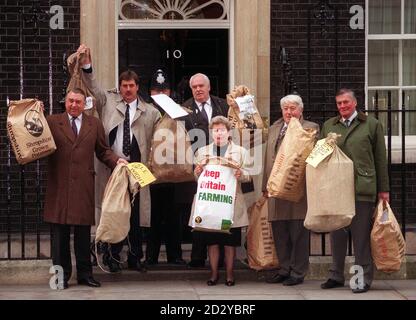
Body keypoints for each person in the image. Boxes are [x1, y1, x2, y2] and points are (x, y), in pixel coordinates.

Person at [78, 44, 161, 273]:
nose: (127, 90)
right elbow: (93, 87)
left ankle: (135, 257)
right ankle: (112, 257)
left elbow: (159, 140)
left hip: (136, 169)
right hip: (111, 167)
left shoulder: (150, 111)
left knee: (134, 215)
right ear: (120, 87)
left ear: (137, 87)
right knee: (114, 211)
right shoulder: (107, 103)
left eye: (131, 86)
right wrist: (87, 65)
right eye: (124, 86)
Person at [43, 88, 128, 289]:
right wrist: (35, 112)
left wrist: (118, 161)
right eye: (70, 101)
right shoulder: (52, 121)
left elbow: (103, 151)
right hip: (59, 186)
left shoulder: (94, 124)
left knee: (82, 235)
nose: (74, 105)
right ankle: (60, 277)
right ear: (65, 102)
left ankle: (85, 275)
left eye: (78, 102)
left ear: (84, 104)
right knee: (59, 238)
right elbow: (34, 136)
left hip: (83, 186)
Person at [320, 88, 389, 293]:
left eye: (346, 102)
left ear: (355, 103)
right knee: (337, 235)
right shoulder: (329, 126)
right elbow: (320, 156)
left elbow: (380, 159)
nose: (342, 106)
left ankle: (361, 279)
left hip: (362, 188)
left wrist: (383, 189)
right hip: (336, 188)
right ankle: (336, 275)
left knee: (360, 237)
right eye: (339, 103)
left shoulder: (372, 125)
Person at [263, 94, 319, 286]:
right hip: (275, 189)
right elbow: (267, 159)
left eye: (293, 108)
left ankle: (298, 271)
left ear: (300, 110)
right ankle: (284, 268)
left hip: (297, 189)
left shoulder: (310, 129)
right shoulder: (273, 129)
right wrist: (265, 187)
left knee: (298, 233)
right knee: (279, 231)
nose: (289, 112)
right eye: (286, 108)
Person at [192, 116, 250, 286]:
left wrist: (242, 174)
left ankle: (230, 274)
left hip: (228, 206)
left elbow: (248, 174)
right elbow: (198, 179)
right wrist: (197, 171)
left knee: (228, 241)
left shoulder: (240, 152)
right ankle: (214, 274)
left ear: (229, 132)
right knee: (213, 240)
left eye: (222, 130)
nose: (219, 133)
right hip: (211, 206)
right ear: (211, 133)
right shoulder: (202, 152)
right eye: (215, 130)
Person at [181, 73, 229, 268]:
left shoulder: (224, 106)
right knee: (201, 209)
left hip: (223, 165)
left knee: (223, 208)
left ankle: (225, 258)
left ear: (209, 87)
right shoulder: (184, 109)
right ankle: (198, 256)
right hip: (198, 166)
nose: (198, 89)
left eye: (201, 86)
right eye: (194, 87)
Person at [145, 69, 186, 265]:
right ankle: (151, 256)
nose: (160, 94)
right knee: (152, 216)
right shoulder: (145, 110)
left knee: (173, 216)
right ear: (150, 92)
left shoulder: (177, 110)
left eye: (164, 90)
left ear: (169, 92)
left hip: (173, 170)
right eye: (156, 90)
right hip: (151, 171)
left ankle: (175, 255)